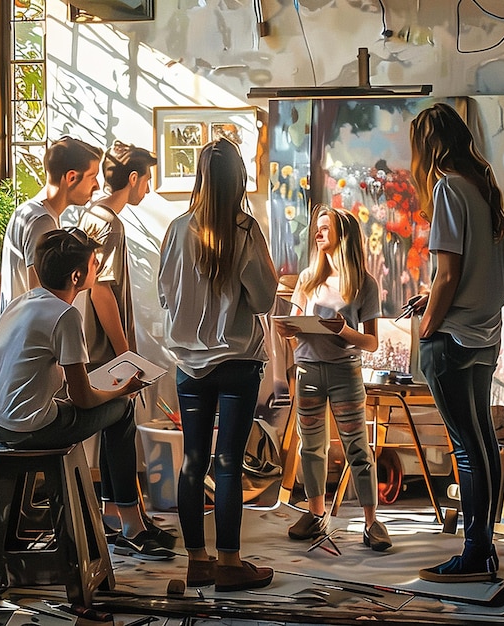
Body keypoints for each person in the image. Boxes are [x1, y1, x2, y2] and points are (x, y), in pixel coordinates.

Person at [0, 228, 175, 560]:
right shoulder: (66, 314)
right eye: (96, 263)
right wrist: (122, 389)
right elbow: (82, 399)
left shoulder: (23, 301)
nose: (99, 269)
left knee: (107, 405)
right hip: (27, 431)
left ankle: (118, 515)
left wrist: (96, 391)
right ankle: (132, 525)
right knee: (123, 409)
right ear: (78, 275)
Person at [158, 137, 278, 592]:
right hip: (237, 363)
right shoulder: (246, 231)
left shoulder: (177, 228)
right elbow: (265, 299)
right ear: (239, 179)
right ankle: (229, 563)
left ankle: (196, 561)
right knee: (227, 462)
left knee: (192, 460)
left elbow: (167, 295)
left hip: (190, 366)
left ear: (200, 178)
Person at [409, 102, 504, 582]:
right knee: (483, 442)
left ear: (428, 147)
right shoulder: (484, 188)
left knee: (467, 448)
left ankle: (473, 554)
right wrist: (434, 298)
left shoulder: (449, 186)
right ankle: (484, 549)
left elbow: (448, 275)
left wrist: (428, 322)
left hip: (452, 337)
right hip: (484, 334)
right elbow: (472, 274)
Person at [274, 205, 392, 552]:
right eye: (317, 228)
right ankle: (315, 514)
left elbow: (371, 341)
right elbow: (294, 328)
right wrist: (287, 329)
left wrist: (344, 331)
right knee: (311, 446)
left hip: (345, 372)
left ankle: (372, 522)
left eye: (325, 227)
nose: (318, 232)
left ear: (344, 234)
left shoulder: (363, 284)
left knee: (358, 447)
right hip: (308, 370)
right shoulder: (308, 279)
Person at [74, 141, 175, 547]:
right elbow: (102, 292)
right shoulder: (109, 223)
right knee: (121, 425)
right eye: (147, 179)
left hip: (91, 343)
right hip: (101, 346)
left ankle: (116, 516)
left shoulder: (92, 213)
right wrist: (125, 352)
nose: (148, 189)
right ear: (132, 178)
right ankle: (132, 525)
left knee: (116, 426)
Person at [0, 136, 103, 314]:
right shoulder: (42, 221)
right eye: (92, 177)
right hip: (32, 336)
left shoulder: (28, 211)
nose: (97, 185)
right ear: (71, 177)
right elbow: (40, 295)